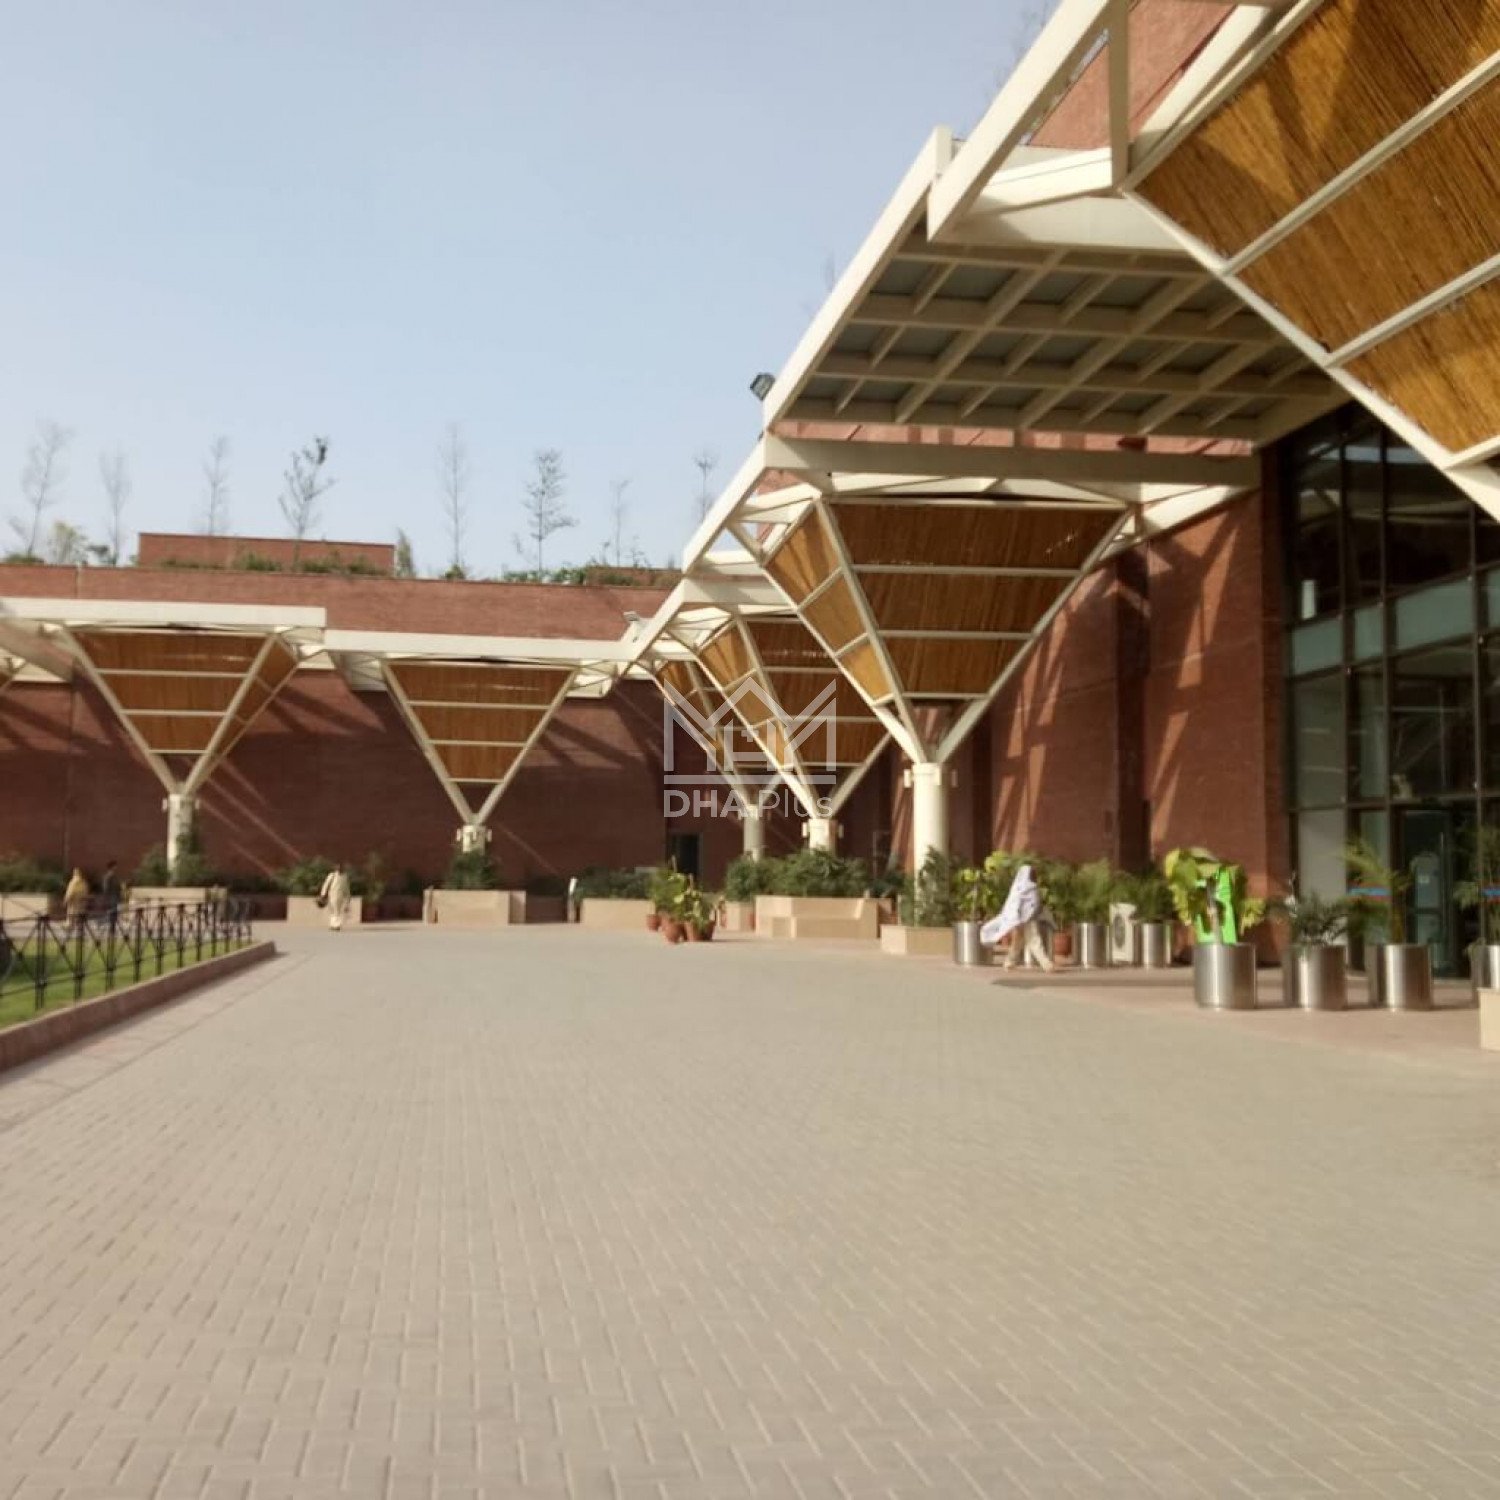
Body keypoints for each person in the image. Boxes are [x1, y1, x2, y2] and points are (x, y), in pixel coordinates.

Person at [980, 863, 1055, 972]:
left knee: (1017, 942)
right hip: (1027, 919)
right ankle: (1047, 965)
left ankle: (1009, 962)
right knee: (1034, 941)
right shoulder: (1029, 888)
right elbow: (1028, 904)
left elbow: (1015, 904)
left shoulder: (1018, 888)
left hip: (1020, 919)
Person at [319, 862, 352, 932]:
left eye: (341, 867)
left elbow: (346, 887)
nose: (339, 868)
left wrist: (348, 896)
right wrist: (323, 894)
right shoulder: (332, 875)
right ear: (336, 868)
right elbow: (326, 884)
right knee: (333, 911)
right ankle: (334, 924)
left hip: (341, 896)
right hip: (332, 895)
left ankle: (335, 925)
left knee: (337, 911)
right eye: (338, 867)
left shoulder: (344, 876)